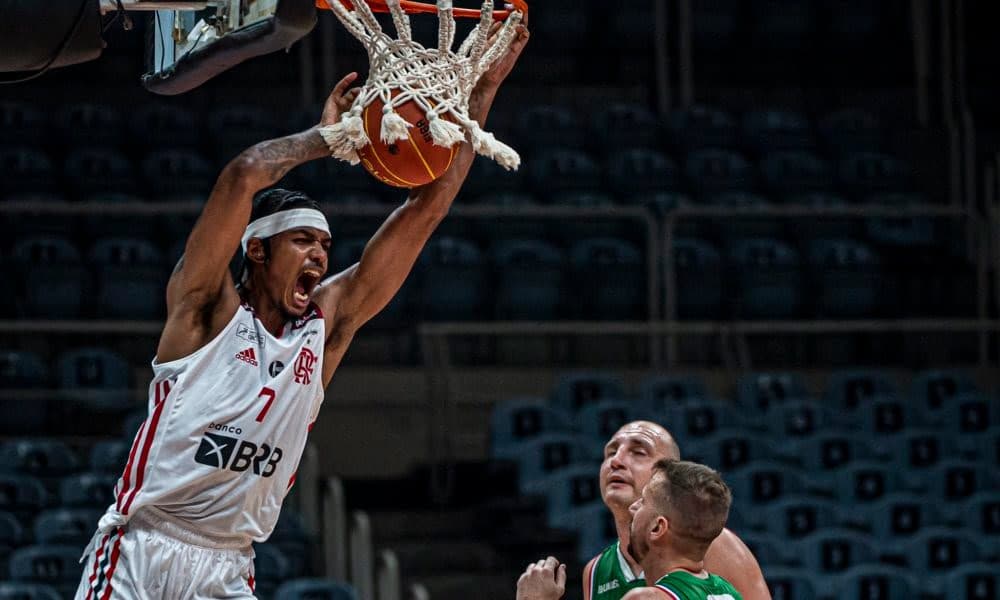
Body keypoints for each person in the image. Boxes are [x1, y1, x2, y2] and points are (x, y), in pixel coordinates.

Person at [75, 20, 530, 600]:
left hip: (227, 566)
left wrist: (479, 93)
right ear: (258, 251)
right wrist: (329, 137)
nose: (319, 254)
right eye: (303, 241)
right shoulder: (204, 312)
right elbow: (243, 174)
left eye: (325, 246)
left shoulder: (325, 327)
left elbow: (425, 212)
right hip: (143, 548)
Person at [585, 421, 770, 600]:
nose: (616, 461)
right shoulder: (596, 571)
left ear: (669, 475)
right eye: (611, 452)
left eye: (638, 453)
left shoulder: (715, 546)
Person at [516, 460, 742, 600]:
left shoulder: (645, 599)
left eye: (643, 501)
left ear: (657, 527)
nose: (633, 507)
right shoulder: (730, 593)